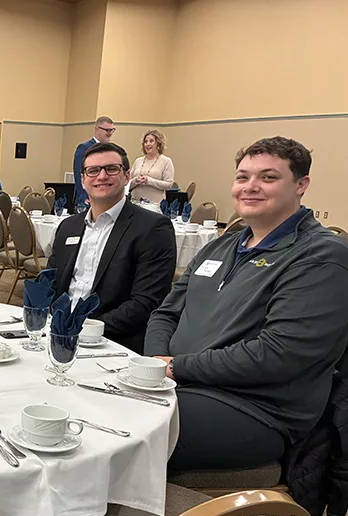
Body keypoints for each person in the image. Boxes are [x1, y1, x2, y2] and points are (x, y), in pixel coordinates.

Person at [145, 136, 348, 471]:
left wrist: (175, 368)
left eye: (268, 177)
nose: (250, 187)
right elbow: (166, 313)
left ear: (301, 185)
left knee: (118, 434)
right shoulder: (220, 247)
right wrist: (155, 362)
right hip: (180, 383)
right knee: (88, 406)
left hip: (254, 410)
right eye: (243, 177)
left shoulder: (322, 258)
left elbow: (278, 355)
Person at [49, 142, 176, 354]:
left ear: (127, 176)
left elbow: (146, 302)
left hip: (112, 342)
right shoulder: (68, 226)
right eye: (93, 170)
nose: (101, 176)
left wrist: (83, 329)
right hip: (57, 333)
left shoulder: (152, 228)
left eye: (111, 169)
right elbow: (50, 281)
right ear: (82, 179)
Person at [73, 116, 115, 207]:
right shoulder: (84, 148)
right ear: (97, 130)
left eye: (112, 130)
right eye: (107, 130)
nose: (110, 133)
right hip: (86, 199)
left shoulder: (111, 150)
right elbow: (78, 173)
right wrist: (84, 197)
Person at [129, 129, 175, 205]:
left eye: (151, 141)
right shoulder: (138, 161)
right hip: (135, 202)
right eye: (145, 142)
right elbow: (127, 183)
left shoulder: (166, 161)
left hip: (155, 204)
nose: (147, 144)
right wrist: (135, 181)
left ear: (158, 144)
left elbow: (169, 185)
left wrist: (149, 181)